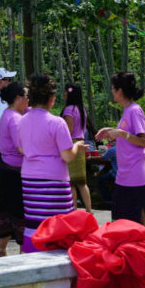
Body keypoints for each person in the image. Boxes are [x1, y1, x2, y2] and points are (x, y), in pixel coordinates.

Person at [19, 73, 86, 253]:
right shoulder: (57, 123)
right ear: (51, 99)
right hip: (54, 179)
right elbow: (67, 156)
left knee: (34, 222)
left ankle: (32, 253)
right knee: (58, 224)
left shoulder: (22, 121)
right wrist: (77, 146)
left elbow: (21, 148)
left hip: (29, 178)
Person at [97, 72, 145, 227]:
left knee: (139, 223)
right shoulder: (127, 111)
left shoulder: (135, 110)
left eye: (113, 88)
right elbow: (128, 134)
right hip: (125, 174)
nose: (111, 91)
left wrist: (121, 133)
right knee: (122, 221)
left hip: (136, 174)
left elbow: (144, 141)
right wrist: (111, 130)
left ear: (119, 90)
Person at [0, 80, 28, 257]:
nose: (29, 100)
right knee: (19, 212)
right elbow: (22, 147)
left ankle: (0, 248)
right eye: (27, 96)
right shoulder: (15, 119)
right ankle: (22, 252)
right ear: (19, 98)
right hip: (15, 171)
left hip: (7, 169)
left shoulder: (9, 114)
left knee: (7, 210)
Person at [61, 83, 93, 213]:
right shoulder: (81, 109)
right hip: (81, 142)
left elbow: (69, 129)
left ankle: (73, 210)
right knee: (82, 181)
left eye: (66, 92)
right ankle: (89, 210)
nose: (64, 94)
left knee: (72, 181)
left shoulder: (69, 109)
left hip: (72, 144)